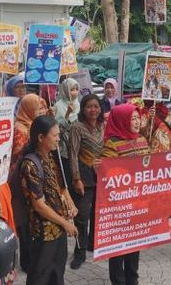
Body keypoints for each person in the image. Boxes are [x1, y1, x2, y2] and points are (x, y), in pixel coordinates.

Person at [19, 115, 78, 285]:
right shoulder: (30, 165)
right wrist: (65, 223)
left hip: (58, 228)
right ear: (40, 137)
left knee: (56, 272)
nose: (59, 139)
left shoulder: (51, 157)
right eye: (55, 135)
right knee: (40, 275)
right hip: (43, 232)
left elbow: (60, 187)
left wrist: (70, 205)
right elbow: (39, 206)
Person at [100, 104, 151, 285]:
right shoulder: (112, 144)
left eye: (138, 118)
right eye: (132, 118)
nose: (137, 122)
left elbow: (149, 166)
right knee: (118, 246)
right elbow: (109, 175)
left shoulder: (143, 140)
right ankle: (118, 280)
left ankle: (132, 278)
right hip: (119, 206)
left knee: (134, 242)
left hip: (138, 203)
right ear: (121, 120)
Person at [11, 94, 49, 273]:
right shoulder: (20, 129)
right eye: (38, 108)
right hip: (21, 181)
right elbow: (19, 157)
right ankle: (27, 262)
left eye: (43, 108)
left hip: (32, 179)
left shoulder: (34, 126)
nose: (41, 111)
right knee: (25, 221)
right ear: (28, 109)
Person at [68, 94, 104, 269]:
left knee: (96, 214)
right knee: (82, 216)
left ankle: (92, 244)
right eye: (89, 106)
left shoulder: (102, 126)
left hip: (101, 177)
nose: (93, 110)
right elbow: (73, 154)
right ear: (83, 109)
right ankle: (79, 252)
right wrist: (76, 179)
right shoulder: (77, 127)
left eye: (96, 106)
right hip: (83, 177)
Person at [53, 78, 80, 181]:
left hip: (78, 143)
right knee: (67, 172)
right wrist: (68, 114)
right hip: (65, 145)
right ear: (64, 90)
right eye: (72, 90)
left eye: (76, 89)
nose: (75, 92)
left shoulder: (78, 104)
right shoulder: (58, 106)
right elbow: (58, 127)